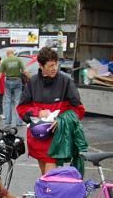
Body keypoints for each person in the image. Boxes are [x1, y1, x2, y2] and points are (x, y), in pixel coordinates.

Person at [17, 47, 87, 176]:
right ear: (41, 66)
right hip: (38, 138)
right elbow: (21, 109)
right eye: (50, 66)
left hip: (57, 138)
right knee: (45, 176)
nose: (54, 68)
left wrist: (62, 120)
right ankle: (46, 194)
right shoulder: (32, 82)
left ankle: (49, 195)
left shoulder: (66, 81)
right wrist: (37, 112)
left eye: (56, 64)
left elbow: (79, 110)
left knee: (50, 178)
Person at [0, 48, 30, 126]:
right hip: (17, 81)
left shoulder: (4, 61)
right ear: (13, 53)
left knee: (7, 102)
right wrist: (30, 78)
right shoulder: (18, 60)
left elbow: (0, 73)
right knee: (17, 101)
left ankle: (8, 122)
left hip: (8, 81)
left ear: (7, 53)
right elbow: (25, 71)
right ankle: (19, 122)